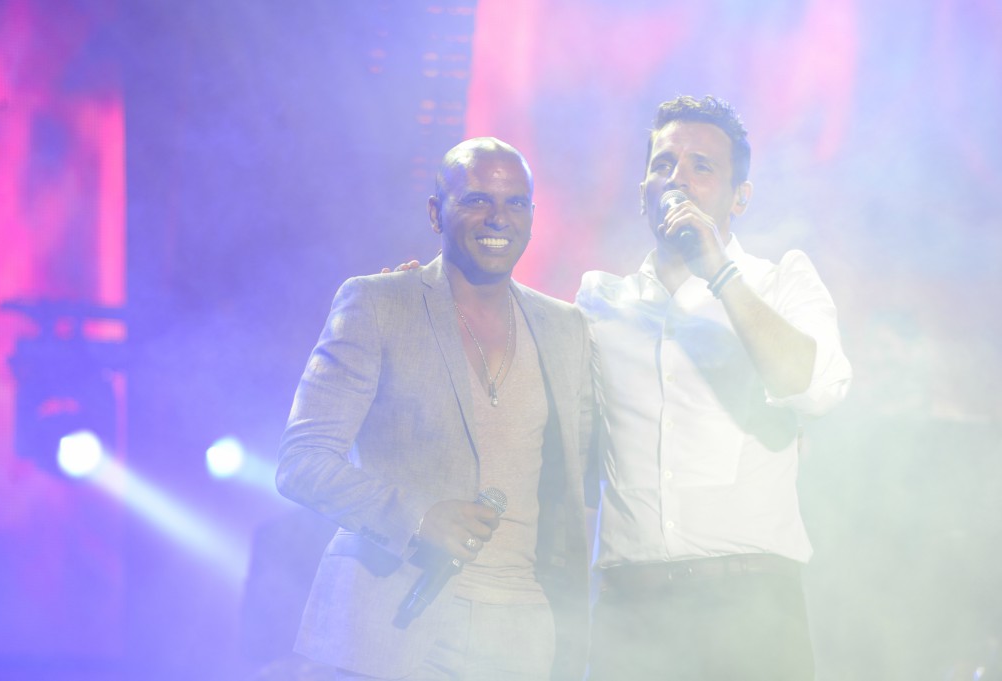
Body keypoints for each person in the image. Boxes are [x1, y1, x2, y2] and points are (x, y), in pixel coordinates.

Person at [275, 137, 594, 681]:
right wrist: (417, 517)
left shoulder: (566, 328)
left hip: (520, 629)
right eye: (477, 199)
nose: (498, 217)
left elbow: (580, 478)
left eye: (515, 203)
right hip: (391, 622)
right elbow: (302, 461)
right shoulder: (379, 302)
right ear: (435, 212)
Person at [577, 95, 853, 680]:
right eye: (663, 164)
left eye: (701, 166)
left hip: (750, 607)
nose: (677, 178)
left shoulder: (780, 282)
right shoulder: (601, 301)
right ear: (643, 191)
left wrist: (719, 272)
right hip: (631, 613)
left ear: (739, 198)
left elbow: (817, 389)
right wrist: (428, 293)